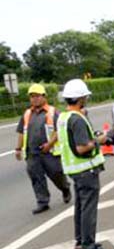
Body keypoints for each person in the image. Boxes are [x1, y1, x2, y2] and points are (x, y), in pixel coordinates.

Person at [56, 79, 110, 249]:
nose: (86, 99)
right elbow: (81, 147)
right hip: (86, 170)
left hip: (75, 170)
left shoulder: (63, 118)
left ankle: (81, 242)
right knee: (88, 209)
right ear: (80, 98)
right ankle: (88, 247)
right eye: (85, 96)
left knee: (80, 207)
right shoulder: (77, 119)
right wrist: (99, 140)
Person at [15, 84, 71, 214]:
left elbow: (59, 130)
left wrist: (50, 144)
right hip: (32, 153)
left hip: (49, 152)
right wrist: (18, 149)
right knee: (36, 177)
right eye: (32, 97)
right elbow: (21, 132)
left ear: (44, 96)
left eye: (37, 96)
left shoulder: (53, 112)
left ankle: (65, 188)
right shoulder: (27, 113)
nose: (34, 99)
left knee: (56, 174)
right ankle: (43, 202)